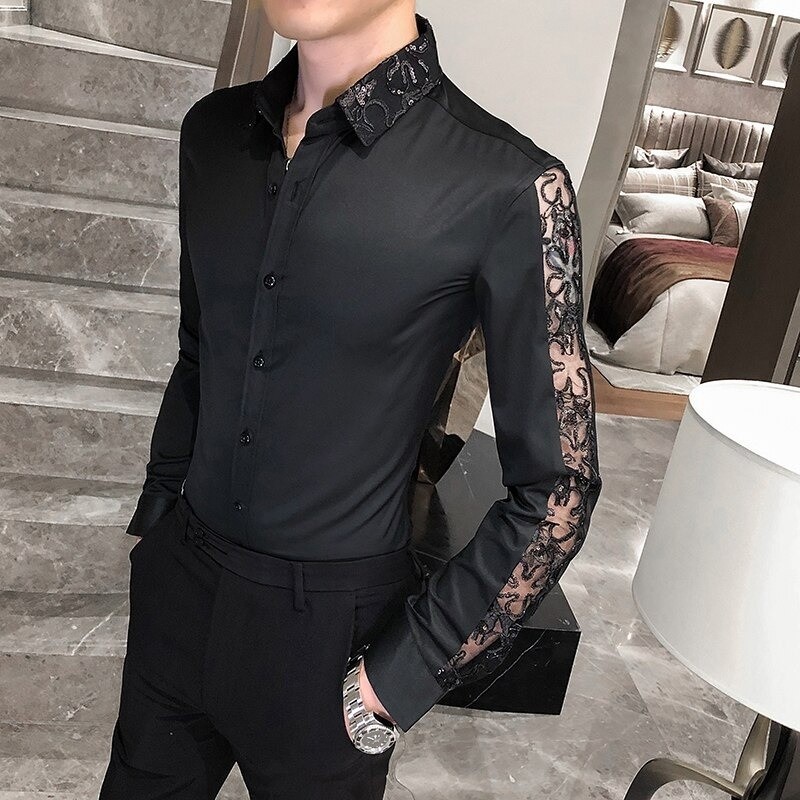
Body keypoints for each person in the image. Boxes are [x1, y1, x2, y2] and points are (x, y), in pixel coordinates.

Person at [98, 1, 603, 798]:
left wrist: (397, 680)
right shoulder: (213, 133)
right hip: (180, 594)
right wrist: (156, 530)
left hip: (333, 643)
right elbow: (202, 353)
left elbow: (559, 488)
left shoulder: (508, 184)